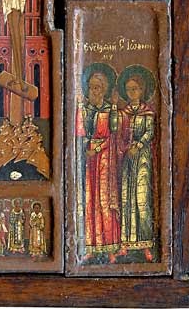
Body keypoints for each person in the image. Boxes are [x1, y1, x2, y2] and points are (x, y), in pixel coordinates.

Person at [75, 68, 121, 262]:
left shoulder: (110, 110)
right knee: (89, 200)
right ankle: (91, 246)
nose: (93, 91)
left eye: (97, 88)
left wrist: (98, 148)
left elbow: (114, 134)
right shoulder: (86, 109)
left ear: (104, 89)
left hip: (104, 160)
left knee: (104, 201)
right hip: (89, 158)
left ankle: (110, 247)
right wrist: (87, 147)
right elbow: (80, 132)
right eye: (91, 87)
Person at [117, 67, 156, 262]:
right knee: (126, 198)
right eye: (128, 89)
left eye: (135, 89)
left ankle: (146, 245)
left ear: (142, 90)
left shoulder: (147, 112)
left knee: (141, 199)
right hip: (127, 158)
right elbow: (119, 134)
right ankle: (125, 243)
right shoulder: (122, 112)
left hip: (142, 158)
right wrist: (125, 147)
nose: (132, 92)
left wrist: (138, 145)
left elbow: (150, 132)